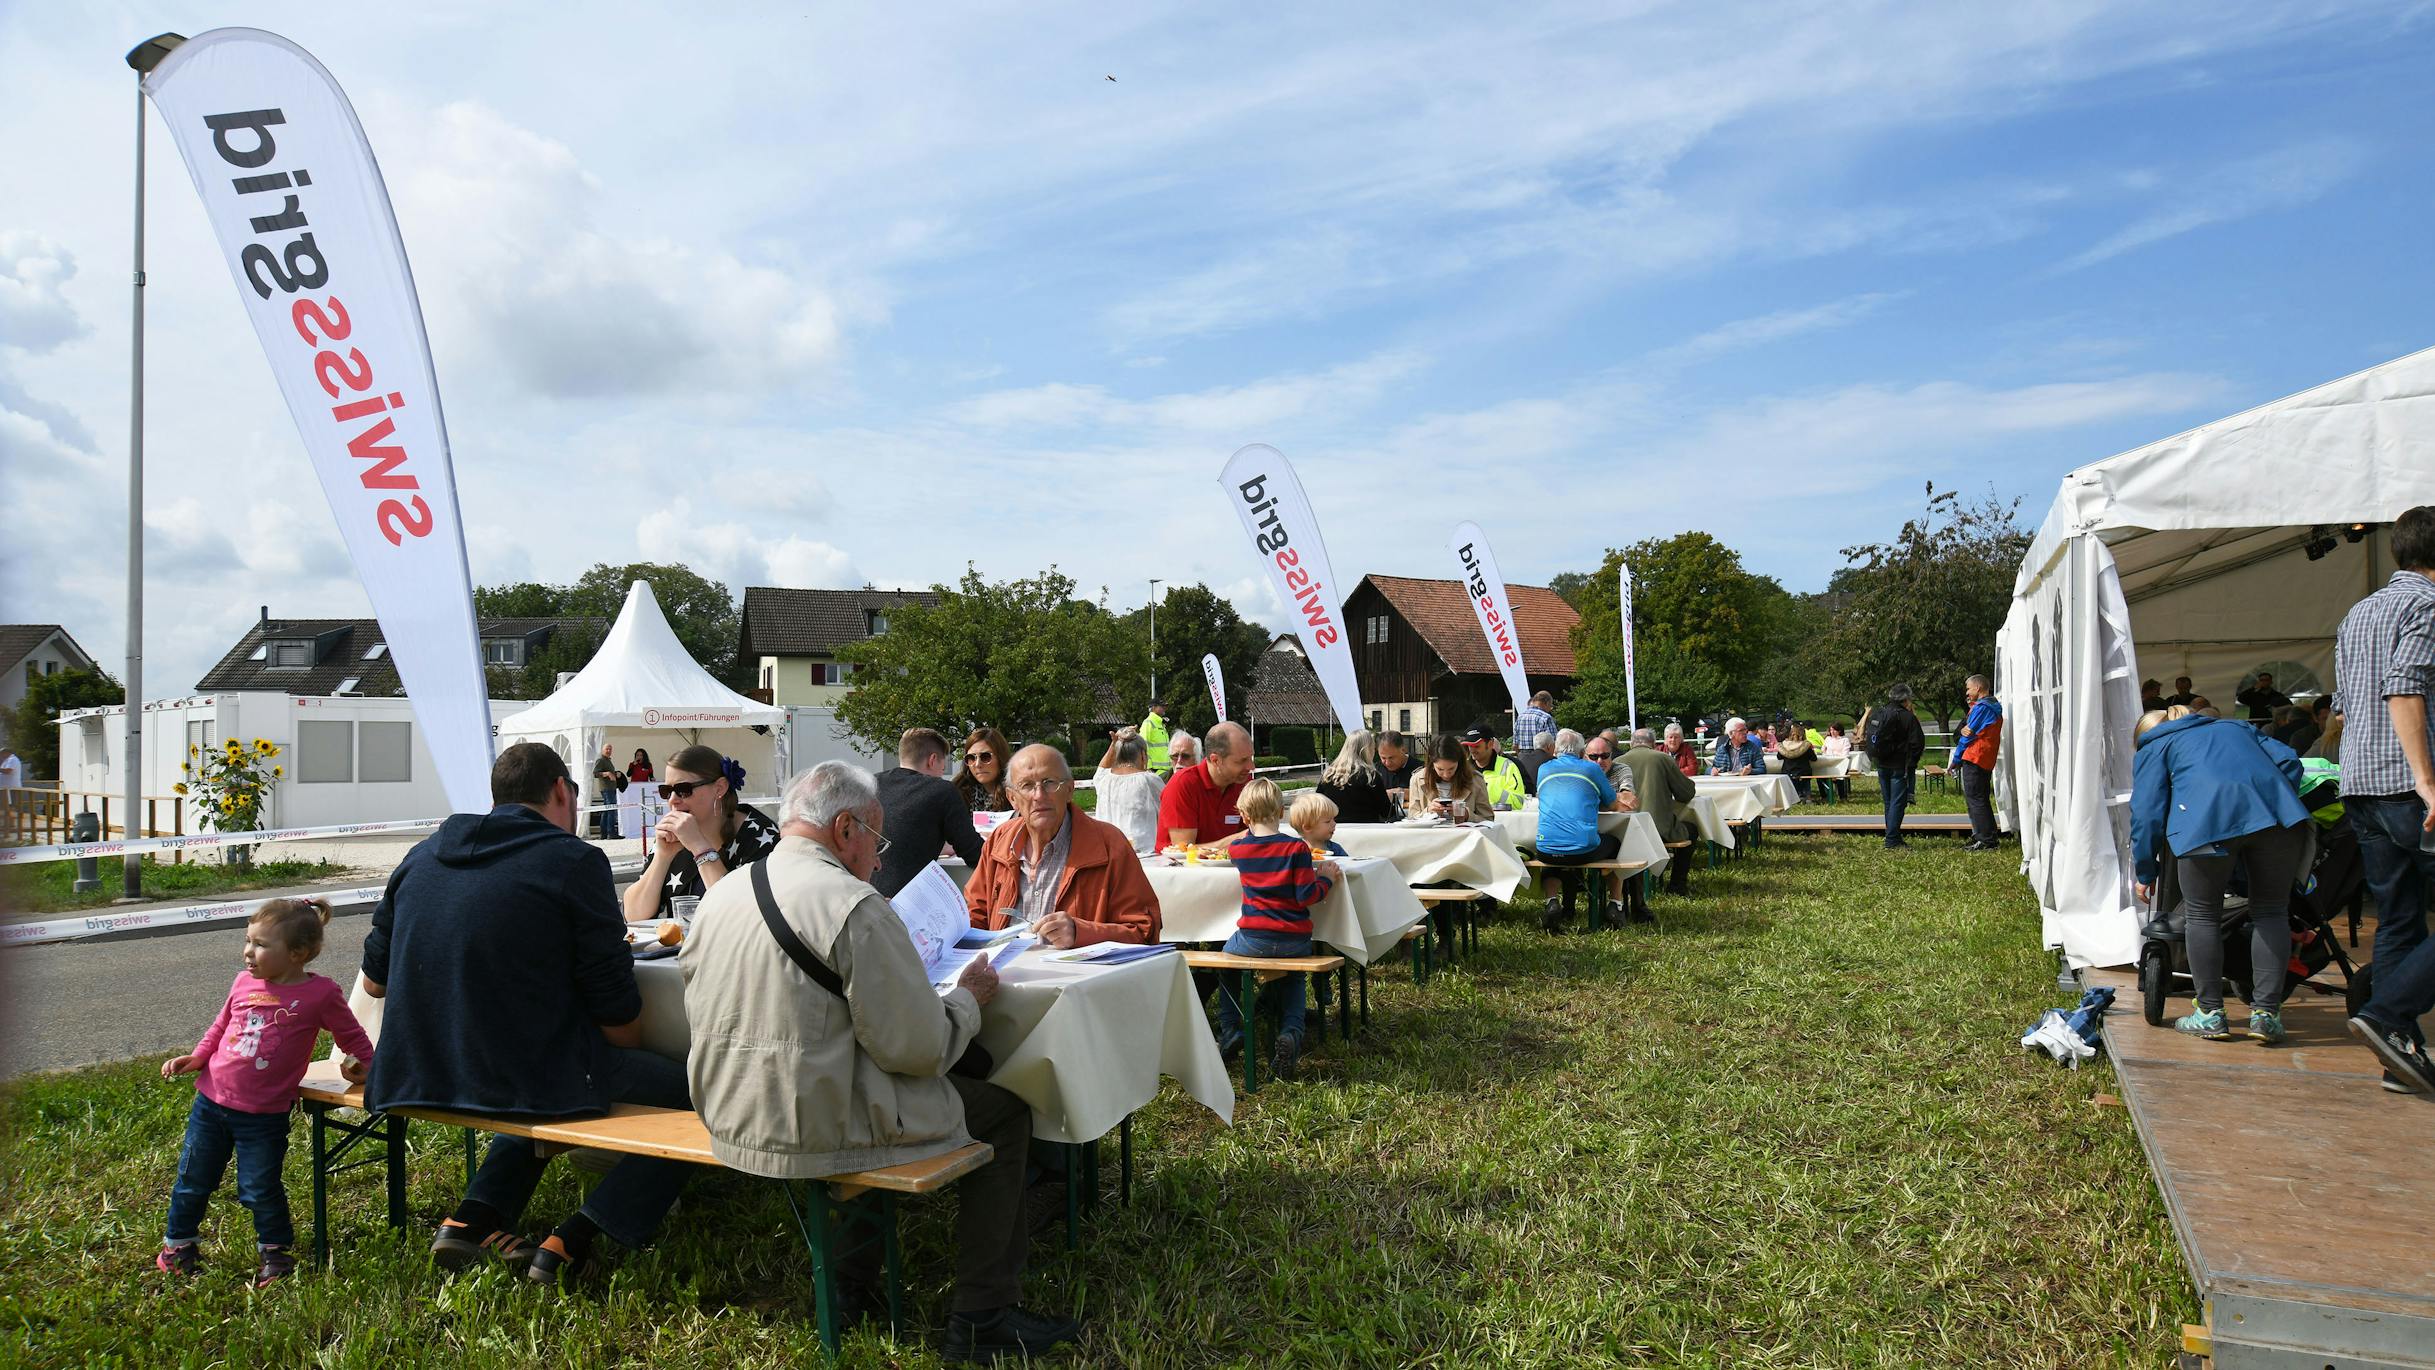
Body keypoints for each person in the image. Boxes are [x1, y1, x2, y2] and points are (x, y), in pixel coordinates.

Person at [683, 762, 1078, 1359]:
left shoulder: (724, 891)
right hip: (810, 1122)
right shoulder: (855, 904)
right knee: (1004, 1113)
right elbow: (917, 1051)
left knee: (862, 1089)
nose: (877, 858)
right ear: (845, 829)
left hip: (727, 1112)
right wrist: (968, 1001)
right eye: (877, 839)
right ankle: (981, 1315)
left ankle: (850, 1286)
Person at [363, 742, 691, 1284]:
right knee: (704, 1096)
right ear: (562, 791)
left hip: (418, 1069)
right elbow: (612, 1001)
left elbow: (375, 982)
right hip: (523, 1073)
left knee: (542, 1076)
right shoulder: (574, 860)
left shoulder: (419, 856)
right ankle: (574, 1241)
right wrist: (619, 1048)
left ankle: (471, 1219)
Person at [158, 898, 374, 1287]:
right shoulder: (243, 983)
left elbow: (352, 1035)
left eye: (260, 944)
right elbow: (221, 1025)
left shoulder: (321, 994)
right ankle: (177, 1246)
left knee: (259, 1187)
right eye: (247, 940)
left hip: (264, 1116)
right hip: (211, 1102)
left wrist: (374, 1068)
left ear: (298, 953)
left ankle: (275, 1253)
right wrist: (197, 1056)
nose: (248, 952)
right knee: (193, 1178)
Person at [2130, 708, 2314, 1043]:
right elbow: (2289, 761)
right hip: (2278, 820)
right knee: (2271, 911)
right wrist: (2267, 797)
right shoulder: (2235, 726)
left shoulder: (2155, 746)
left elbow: (2145, 813)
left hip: (2205, 826)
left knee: (2202, 915)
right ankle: (2266, 1015)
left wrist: (2145, 870)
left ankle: (2210, 1013)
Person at [2334, 504, 2435, 1095]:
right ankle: (2388, 1015)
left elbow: (2344, 705)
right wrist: (2426, 778)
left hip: (2362, 785)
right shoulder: (2426, 606)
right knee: (2402, 918)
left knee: (2399, 919)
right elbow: (2404, 689)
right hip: (2407, 785)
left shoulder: (2360, 611)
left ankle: (2399, 1054)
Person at [966, 745, 1162, 947]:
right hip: (1002, 975)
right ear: (1012, 798)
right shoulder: (1000, 841)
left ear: (1070, 789)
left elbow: (1144, 931)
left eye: (1049, 783)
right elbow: (974, 916)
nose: (1039, 795)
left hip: (1078, 976)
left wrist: (1081, 933)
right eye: (1026, 786)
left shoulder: (1109, 844)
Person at [1212, 777, 1341, 1082]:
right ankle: (1291, 1032)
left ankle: (1231, 1028)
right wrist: (1326, 879)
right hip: (1295, 938)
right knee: (1294, 978)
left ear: (1244, 816)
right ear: (1281, 812)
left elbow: (1232, 852)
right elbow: (1306, 896)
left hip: (1252, 938)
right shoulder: (1296, 848)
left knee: (1225, 966)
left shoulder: (1239, 850)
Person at [623, 745, 781, 922]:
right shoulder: (675, 835)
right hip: (681, 948)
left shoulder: (759, 835)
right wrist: (662, 857)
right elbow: (633, 915)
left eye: (684, 789)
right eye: (666, 791)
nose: (673, 800)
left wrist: (700, 848)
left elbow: (738, 916)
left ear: (719, 788)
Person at [1533, 729, 1633, 929]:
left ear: (1555, 751)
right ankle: (1615, 904)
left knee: (1552, 850)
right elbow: (1614, 805)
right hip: (1582, 850)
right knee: (1617, 845)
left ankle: (1552, 901)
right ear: (1582, 753)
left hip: (1545, 850)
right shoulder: (1591, 770)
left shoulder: (1543, 769)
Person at [874, 727, 986, 896]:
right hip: (907, 903)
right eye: (943, 767)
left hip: (865, 896)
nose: (942, 773)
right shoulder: (941, 790)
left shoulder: (872, 783)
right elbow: (974, 853)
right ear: (932, 760)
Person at [1620, 728, 1698, 896]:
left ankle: (1625, 887)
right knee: (1692, 830)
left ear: (1631, 743)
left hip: (1623, 832)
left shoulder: (1617, 761)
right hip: (1658, 829)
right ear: (1654, 744)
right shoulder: (1662, 758)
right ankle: (1677, 885)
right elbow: (1685, 794)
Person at [1158, 721, 1256, 850]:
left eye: (1251, 758)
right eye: (1242, 761)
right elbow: (1183, 852)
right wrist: (1239, 839)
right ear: (1215, 760)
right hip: (1177, 869)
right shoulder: (1182, 785)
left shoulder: (1244, 783)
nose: (1251, 767)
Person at [1089, 729, 1168, 855]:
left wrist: (1114, 743)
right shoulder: (1149, 780)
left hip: (1108, 855)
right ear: (1143, 755)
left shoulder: (1103, 780)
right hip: (1143, 857)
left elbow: (1102, 768)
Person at [1868, 686, 1925, 849]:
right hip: (1900, 765)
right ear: (1906, 699)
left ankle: (1892, 834)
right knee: (1898, 802)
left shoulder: (1880, 713)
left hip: (1881, 763)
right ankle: (1892, 839)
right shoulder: (1908, 717)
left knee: (1888, 801)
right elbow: (1918, 742)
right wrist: (1912, 762)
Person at [1953, 675, 2004, 850]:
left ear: (1978, 688)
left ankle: (1985, 839)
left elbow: (1968, 736)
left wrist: (1955, 759)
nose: (1967, 692)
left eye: (1968, 688)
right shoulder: (1992, 706)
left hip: (1975, 757)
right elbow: (1967, 731)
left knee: (1975, 798)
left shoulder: (1982, 707)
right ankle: (1986, 835)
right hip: (1984, 757)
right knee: (1980, 798)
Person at [1315, 729, 1395, 825]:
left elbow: (1317, 804)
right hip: (1366, 831)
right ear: (1367, 750)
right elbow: (1386, 812)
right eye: (1373, 748)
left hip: (1334, 830)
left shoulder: (1328, 774)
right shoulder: (1370, 776)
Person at [1407, 733, 1492, 820]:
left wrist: (1466, 814)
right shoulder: (1418, 779)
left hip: (1464, 833)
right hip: (1430, 833)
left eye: (1451, 768)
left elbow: (1489, 820)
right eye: (1440, 769)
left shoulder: (1475, 780)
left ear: (1459, 762)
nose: (1446, 774)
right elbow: (1412, 819)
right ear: (1431, 762)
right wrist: (1428, 811)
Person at [1461, 724, 1527, 811]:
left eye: (1477, 746)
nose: (1472, 750)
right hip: (1470, 822)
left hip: (1500, 822)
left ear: (1490, 744)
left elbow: (1518, 803)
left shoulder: (1509, 766)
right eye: (1470, 746)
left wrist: (1488, 788)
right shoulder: (1463, 768)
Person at [954, 727, 1013, 814]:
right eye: (971, 758)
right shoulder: (957, 795)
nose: (977, 764)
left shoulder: (1017, 794)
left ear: (1000, 757)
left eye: (985, 757)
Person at [1580, 734, 1638, 811]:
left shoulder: (1621, 769)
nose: (1600, 761)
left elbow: (1627, 801)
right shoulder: (1579, 772)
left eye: (1605, 755)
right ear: (1585, 757)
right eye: (1594, 757)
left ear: (1611, 755)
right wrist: (1615, 799)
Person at [1774, 720, 1816, 801]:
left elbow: (1779, 757)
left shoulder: (1784, 745)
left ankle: (1794, 797)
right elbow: (1814, 759)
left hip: (1788, 771)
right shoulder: (1806, 746)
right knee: (1806, 777)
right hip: (1804, 771)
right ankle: (1807, 796)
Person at [592, 741, 626, 839]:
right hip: (606, 789)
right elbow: (595, 773)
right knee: (611, 810)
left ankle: (604, 834)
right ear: (602, 750)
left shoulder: (607, 760)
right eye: (607, 749)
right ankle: (611, 833)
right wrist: (607, 773)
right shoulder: (601, 760)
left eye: (610, 749)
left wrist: (615, 774)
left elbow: (608, 773)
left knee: (606, 811)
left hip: (611, 788)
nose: (608, 751)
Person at [1374, 730, 1418, 798]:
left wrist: (1402, 793)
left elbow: (1429, 796)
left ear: (1403, 750)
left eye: (1391, 758)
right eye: (1383, 758)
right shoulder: (1375, 770)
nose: (1387, 763)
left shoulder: (1420, 770)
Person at [1514, 730, 1556, 797]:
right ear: (1549, 746)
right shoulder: (1553, 762)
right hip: (1542, 797)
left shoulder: (1522, 759)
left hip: (1525, 797)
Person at [1515, 690, 1556, 756]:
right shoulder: (1545, 717)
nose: (1550, 709)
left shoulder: (1520, 717)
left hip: (1522, 758)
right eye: (1550, 706)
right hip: (1541, 758)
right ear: (1547, 703)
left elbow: (1515, 744)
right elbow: (1553, 742)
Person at [1819, 723, 1853, 802]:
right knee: (1819, 777)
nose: (1832, 732)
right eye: (1831, 730)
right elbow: (1823, 750)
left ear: (1839, 731)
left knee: (1839, 777)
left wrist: (1834, 755)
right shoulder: (1828, 739)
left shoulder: (1845, 740)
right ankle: (1824, 796)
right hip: (1828, 763)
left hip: (1840, 764)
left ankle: (1842, 797)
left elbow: (1845, 754)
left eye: (1834, 730)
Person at [1138, 701, 1172, 773]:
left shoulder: (1160, 724)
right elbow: (1143, 745)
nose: (1164, 708)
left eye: (1165, 706)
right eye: (1161, 706)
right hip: (1154, 770)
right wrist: (1148, 766)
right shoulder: (1148, 723)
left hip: (1165, 769)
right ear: (1153, 707)